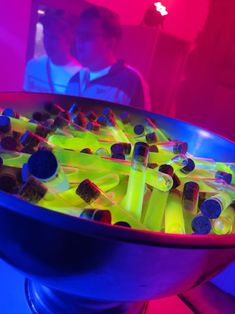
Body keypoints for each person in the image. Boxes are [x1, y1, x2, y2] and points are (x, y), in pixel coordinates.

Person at [66, 5, 151, 111]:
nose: (79, 41)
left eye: (88, 35)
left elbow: (143, 125)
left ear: (110, 42)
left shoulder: (131, 81)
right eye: (78, 34)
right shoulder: (74, 80)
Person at [24, 9, 82, 94]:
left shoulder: (79, 75)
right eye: (45, 35)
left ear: (68, 39)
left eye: (54, 37)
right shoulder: (32, 65)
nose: (47, 41)